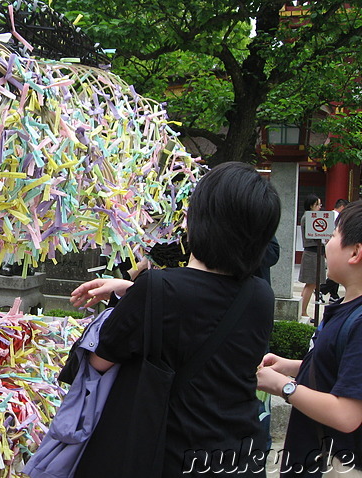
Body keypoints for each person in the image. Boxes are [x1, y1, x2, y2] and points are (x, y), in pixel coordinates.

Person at [69, 161, 281, 476]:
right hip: (238, 458)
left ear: (200, 219)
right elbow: (206, 307)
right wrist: (132, 289)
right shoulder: (260, 296)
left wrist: (135, 296)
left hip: (169, 457)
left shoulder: (156, 289)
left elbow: (98, 362)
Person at [257, 199, 362, 477]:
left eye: (335, 235)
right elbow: (337, 367)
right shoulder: (346, 309)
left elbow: (347, 415)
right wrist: (292, 366)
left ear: (355, 252)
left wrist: (285, 387)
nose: (327, 243)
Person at [299, 195, 327, 323]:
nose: (320, 208)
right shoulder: (308, 218)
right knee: (311, 284)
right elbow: (312, 236)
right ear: (311, 205)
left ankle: (302, 309)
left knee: (310, 284)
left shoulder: (310, 217)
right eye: (318, 205)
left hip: (315, 253)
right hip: (312, 253)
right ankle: (303, 311)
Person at [321, 199, 350, 304]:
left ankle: (333, 294)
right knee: (336, 271)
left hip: (329, 246)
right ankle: (321, 289)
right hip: (334, 247)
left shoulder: (329, 215)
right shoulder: (337, 216)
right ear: (342, 207)